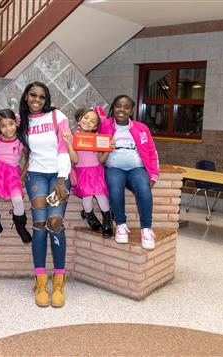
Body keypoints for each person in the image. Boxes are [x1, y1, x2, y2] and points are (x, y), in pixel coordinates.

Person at [18, 81, 71, 308]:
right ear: (26, 96)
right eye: (32, 95)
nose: (36, 100)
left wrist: (61, 178)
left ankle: (59, 281)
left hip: (58, 175)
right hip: (36, 176)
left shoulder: (58, 116)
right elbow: (1, 133)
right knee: (40, 224)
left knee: (55, 222)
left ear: (46, 99)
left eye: (41, 96)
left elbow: (64, 147)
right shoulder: (22, 121)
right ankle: (40, 281)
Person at [99, 94, 159, 250]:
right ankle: (121, 225)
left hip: (136, 168)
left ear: (131, 111)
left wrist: (153, 174)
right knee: (115, 188)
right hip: (114, 168)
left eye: (126, 107)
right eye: (118, 106)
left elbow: (152, 152)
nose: (122, 110)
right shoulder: (105, 125)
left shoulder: (141, 128)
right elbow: (92, 139)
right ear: (113, 108)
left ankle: (146, 229)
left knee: (144, 188)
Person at [0, 109, 32, 244]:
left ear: (16, 123)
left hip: (13, 174)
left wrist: (23, 176)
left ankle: (20, 226)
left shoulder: (21, 140)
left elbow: (29, 158)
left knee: (18, 200)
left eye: (11, 124)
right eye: (3, 125)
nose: (8, 129)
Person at [62, 107, 113, 237]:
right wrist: (68, 143)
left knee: (101, 195)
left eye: (92, 120)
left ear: (96, 126)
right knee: (87, 197)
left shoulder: (98, 138)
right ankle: (90, 216)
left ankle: (107, 222)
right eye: (85, 118)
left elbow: (101, 160)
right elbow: (74, 160)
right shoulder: (72, 138)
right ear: (79, 119)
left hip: (96, 171)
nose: (88, 121)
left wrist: (108, 149)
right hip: (82, 172)